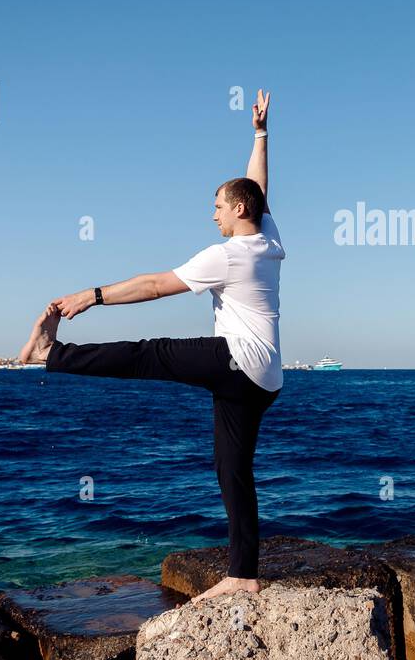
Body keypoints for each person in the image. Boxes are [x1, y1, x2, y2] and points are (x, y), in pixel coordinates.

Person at [18, 90, 283, 601]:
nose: (214, 216)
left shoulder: (227, 254)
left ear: (238, 209)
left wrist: (91, 296)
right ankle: (243, 576)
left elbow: (154, 285)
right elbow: (260, 187)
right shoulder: (268, 239)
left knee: (149, 353)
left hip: (236, 361)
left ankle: (50, 354)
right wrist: (260, 134)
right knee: (232, 469)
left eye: (218, 207)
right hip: (265, 379)